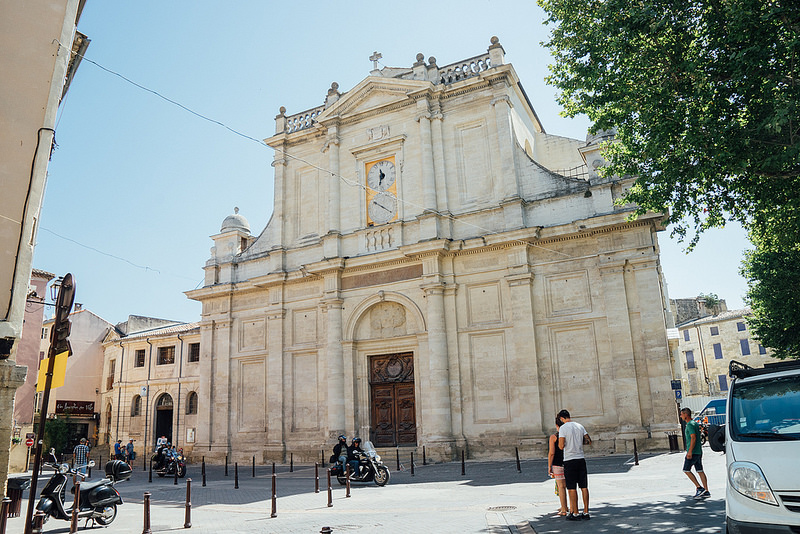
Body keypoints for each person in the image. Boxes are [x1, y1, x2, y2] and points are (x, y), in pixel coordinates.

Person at [558, 409, 591, 521]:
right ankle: (586, 512)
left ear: (562, 419)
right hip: (580, 458)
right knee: (584, 486)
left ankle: (575, 513)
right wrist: (578, 443)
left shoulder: (563, 428)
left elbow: (561, 445)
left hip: (569, 460)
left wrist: (565, 444)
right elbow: (588, 441)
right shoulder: (580, 426)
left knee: (572, 487)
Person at [680, 408, 710, 499]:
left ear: (686, 414)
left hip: (693, 452)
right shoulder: (695, 423)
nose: (681, 416)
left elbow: (693, 438)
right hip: (698, 451)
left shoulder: (689, 425)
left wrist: (689, 451)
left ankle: (699, 487)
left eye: (681, 414)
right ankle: (706, 490)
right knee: (700, 470)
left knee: (686, 470)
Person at [548, 416, 568, 516]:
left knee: (561, 486)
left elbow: (551, 453)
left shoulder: (554, 437)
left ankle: (564, 508)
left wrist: (549, 466)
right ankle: (571, 507)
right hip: (568, 462)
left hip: (557, 464)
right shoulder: (568, 435)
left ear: (557, 425)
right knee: (570, 486)